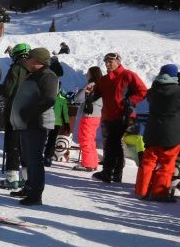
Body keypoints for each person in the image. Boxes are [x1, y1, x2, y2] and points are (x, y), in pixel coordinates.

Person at [8, 48, 59, 206]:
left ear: (37, 60)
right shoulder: (37, 74)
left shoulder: (48, 76)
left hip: (36, 123)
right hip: (27, 123)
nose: (26, 61)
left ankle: (35, 194)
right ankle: (30, 187)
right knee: (27, 158)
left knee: (34, 159)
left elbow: (49, 99)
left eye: (29, 58)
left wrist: (29, 113)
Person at [93, 53, 147, 183]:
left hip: (123, 115)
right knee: (113, 144)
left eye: (110, 61)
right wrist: (90, 97)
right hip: (107, 115)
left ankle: (108, 172)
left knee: (112, 143)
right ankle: (116, 173)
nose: (107, 64)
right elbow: (96, 92)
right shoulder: (104, 79)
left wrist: (130, 101)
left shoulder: (128, 75)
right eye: (106, 62)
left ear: (118, 61)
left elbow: (143, 91)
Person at [135, 64, 179, 201]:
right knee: (167, 164)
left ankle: (141, 191)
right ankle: (159, 193)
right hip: (171, 135)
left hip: (152, 132)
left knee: (148, 163)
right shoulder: (178, 91)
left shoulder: (153, 91)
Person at [0, 44, 31, 189]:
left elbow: (8, 90)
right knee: (25, 146)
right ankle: (26, 178)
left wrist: (1, 88)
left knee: (12, 145)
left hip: (14, 111)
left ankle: (12, 178)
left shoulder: (16, 68)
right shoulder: (34, 69)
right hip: (29, 112)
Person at [72, 66, 104, 171]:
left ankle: (87, 164)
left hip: (88, 116)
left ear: (92, 74)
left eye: (88, 73)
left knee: (85, 139)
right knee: (90, 139)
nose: (86, 74)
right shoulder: (101, 85)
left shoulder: (91, 85)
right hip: (96, 116)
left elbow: (78, 98)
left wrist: (79, 91)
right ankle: (92, 162)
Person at [44, 87, 71, 166]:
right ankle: (47, 157)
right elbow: (65, 114)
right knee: (51, 140)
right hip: (55, 122)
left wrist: (67, 124)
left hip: (47, 121)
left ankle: (46, 157)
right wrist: (67, 124)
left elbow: (65, 113)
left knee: (48, 140)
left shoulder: (47, 96)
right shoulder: (62, 99)